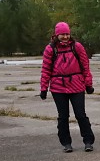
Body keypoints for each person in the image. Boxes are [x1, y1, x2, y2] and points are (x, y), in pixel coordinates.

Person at [39, 22, 95, 152]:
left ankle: (88, 141)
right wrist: (43, 88)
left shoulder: (77, 47)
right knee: (63, 116)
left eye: (67, 34)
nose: (65, 37)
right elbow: (46, 70)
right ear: (56, 35)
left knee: (81, 114)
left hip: (77, 85)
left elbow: (85, 66)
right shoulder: (50, 49)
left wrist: (89, 84)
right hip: (58, 87)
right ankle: (66, 143)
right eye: (62, 34)